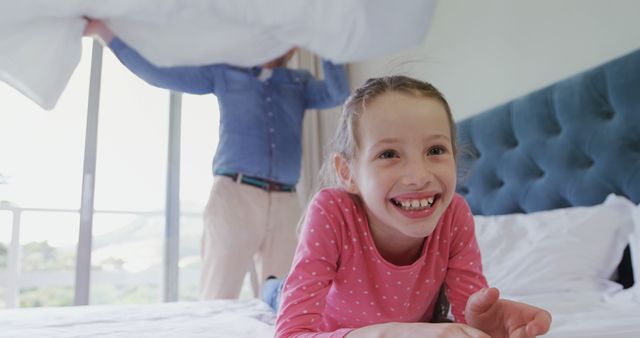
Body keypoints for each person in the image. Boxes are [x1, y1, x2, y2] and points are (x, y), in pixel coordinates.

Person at [83, 19, 350, 299]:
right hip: (235, 197)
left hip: (286, 202)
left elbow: (339, 92)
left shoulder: (299, 82)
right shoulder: (226, 73)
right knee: (218, 294)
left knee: (285, 299)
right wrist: (107, 36)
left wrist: (326, 41)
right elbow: (159, 72)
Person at [270, 76, 552, 337]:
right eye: (389, 154)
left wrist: (485, 325)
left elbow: (469, 317)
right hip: (318, 309)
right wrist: (395, 333)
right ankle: (271, 285)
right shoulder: (332, 211)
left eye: (435, 150)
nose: (418, 177)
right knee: (276, 293)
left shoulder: (453, 214)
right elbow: (291, 333)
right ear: (347, 173)